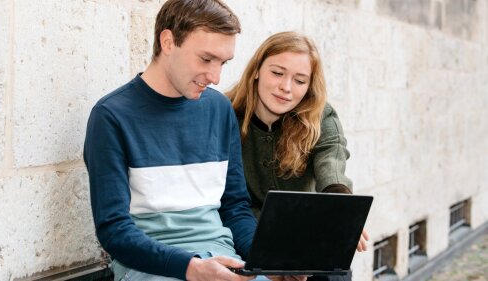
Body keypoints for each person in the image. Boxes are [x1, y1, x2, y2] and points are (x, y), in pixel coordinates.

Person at [84, 1, 269, 280]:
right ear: (168, 42)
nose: (216, 77)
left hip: (221, 260)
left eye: (223, 63)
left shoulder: (219, 110)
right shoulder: (111, 116)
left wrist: (269, 260)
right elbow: (114, 230)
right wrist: (191, 267)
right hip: (150, 267)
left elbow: (235, 208)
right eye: (206, 59)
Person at [227, 31, 369, 281]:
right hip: (243, 236)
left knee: (333, 275)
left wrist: (340, 212)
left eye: (300, 80)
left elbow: (332, 161)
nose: (286, 87)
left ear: (309, 86)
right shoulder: (226, 114)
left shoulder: (321, 117)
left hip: (305, 235)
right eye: (277, 73)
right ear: (257, 69)